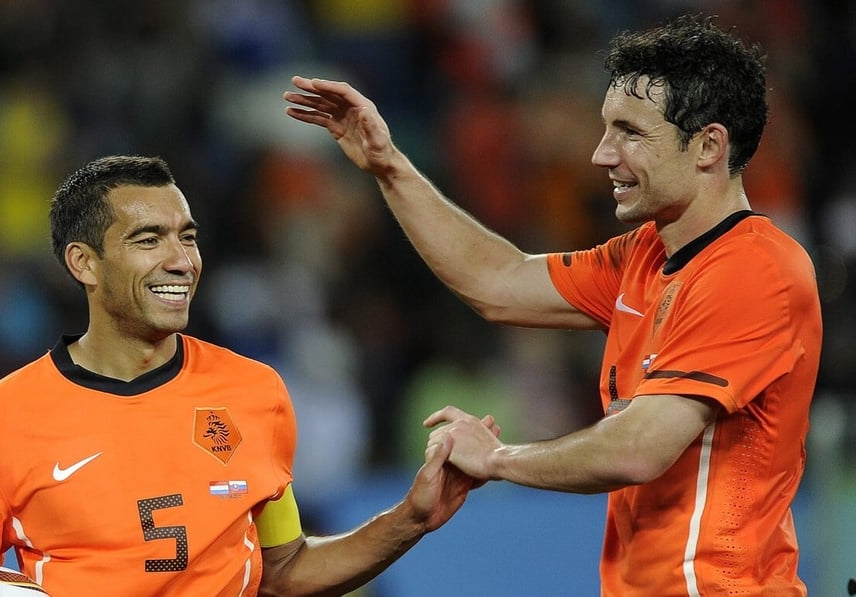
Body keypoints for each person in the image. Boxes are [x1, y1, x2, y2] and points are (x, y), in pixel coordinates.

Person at [285, 13, 821, 596]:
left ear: (708, 146)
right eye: (605, 129)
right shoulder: (644, 255)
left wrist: (497, 458)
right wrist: (390, 167)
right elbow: (499, 280)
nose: (601, 154)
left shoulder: (753, 270)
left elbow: (639, 447)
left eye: (630, 133)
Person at [0, 155, 497, 596]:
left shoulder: (256, 394)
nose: (181, 260)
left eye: (187, 236)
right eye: (148, 240)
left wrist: (411, 519)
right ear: (84, 263)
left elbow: (285, 570)